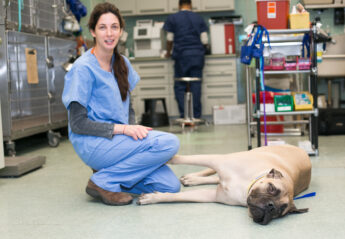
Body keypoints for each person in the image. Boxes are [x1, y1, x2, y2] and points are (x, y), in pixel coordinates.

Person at [62, 2, 181, 206]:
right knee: (170, 143)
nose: (109, 33)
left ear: (121, 31)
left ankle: (112, 175)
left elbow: (129, 107)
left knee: (170, 186)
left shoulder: (123, 63)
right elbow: (78, 124)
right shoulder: (83, 69)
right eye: (102, 27)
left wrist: (132, 131)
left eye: (114, 27)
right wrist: (125, 130)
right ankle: (102, 181)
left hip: (118, 141)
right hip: (93, 142)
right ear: (93, 31)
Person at [163, 0, 209, 119]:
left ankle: (185, 116)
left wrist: (168, 52)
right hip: (197, 56)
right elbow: (205, 40)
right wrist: (202, 50)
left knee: (180, 85)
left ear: (179, 5)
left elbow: (169, 38)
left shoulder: (173, 18)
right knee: (196, 85)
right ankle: (196, 116)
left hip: (181, 56)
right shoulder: (198, 18)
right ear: (191, 5)